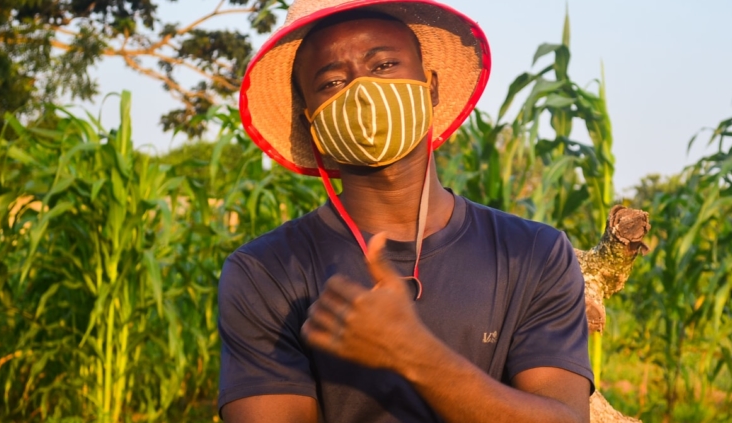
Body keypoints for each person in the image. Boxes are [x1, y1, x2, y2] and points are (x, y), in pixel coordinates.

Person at [218, 1, 592, 421]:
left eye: (383, 65)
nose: (362, 90)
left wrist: (413, 353)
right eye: (332, 82)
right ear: (314, 126)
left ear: (429, 86)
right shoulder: (266, 272)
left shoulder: (535, 253)